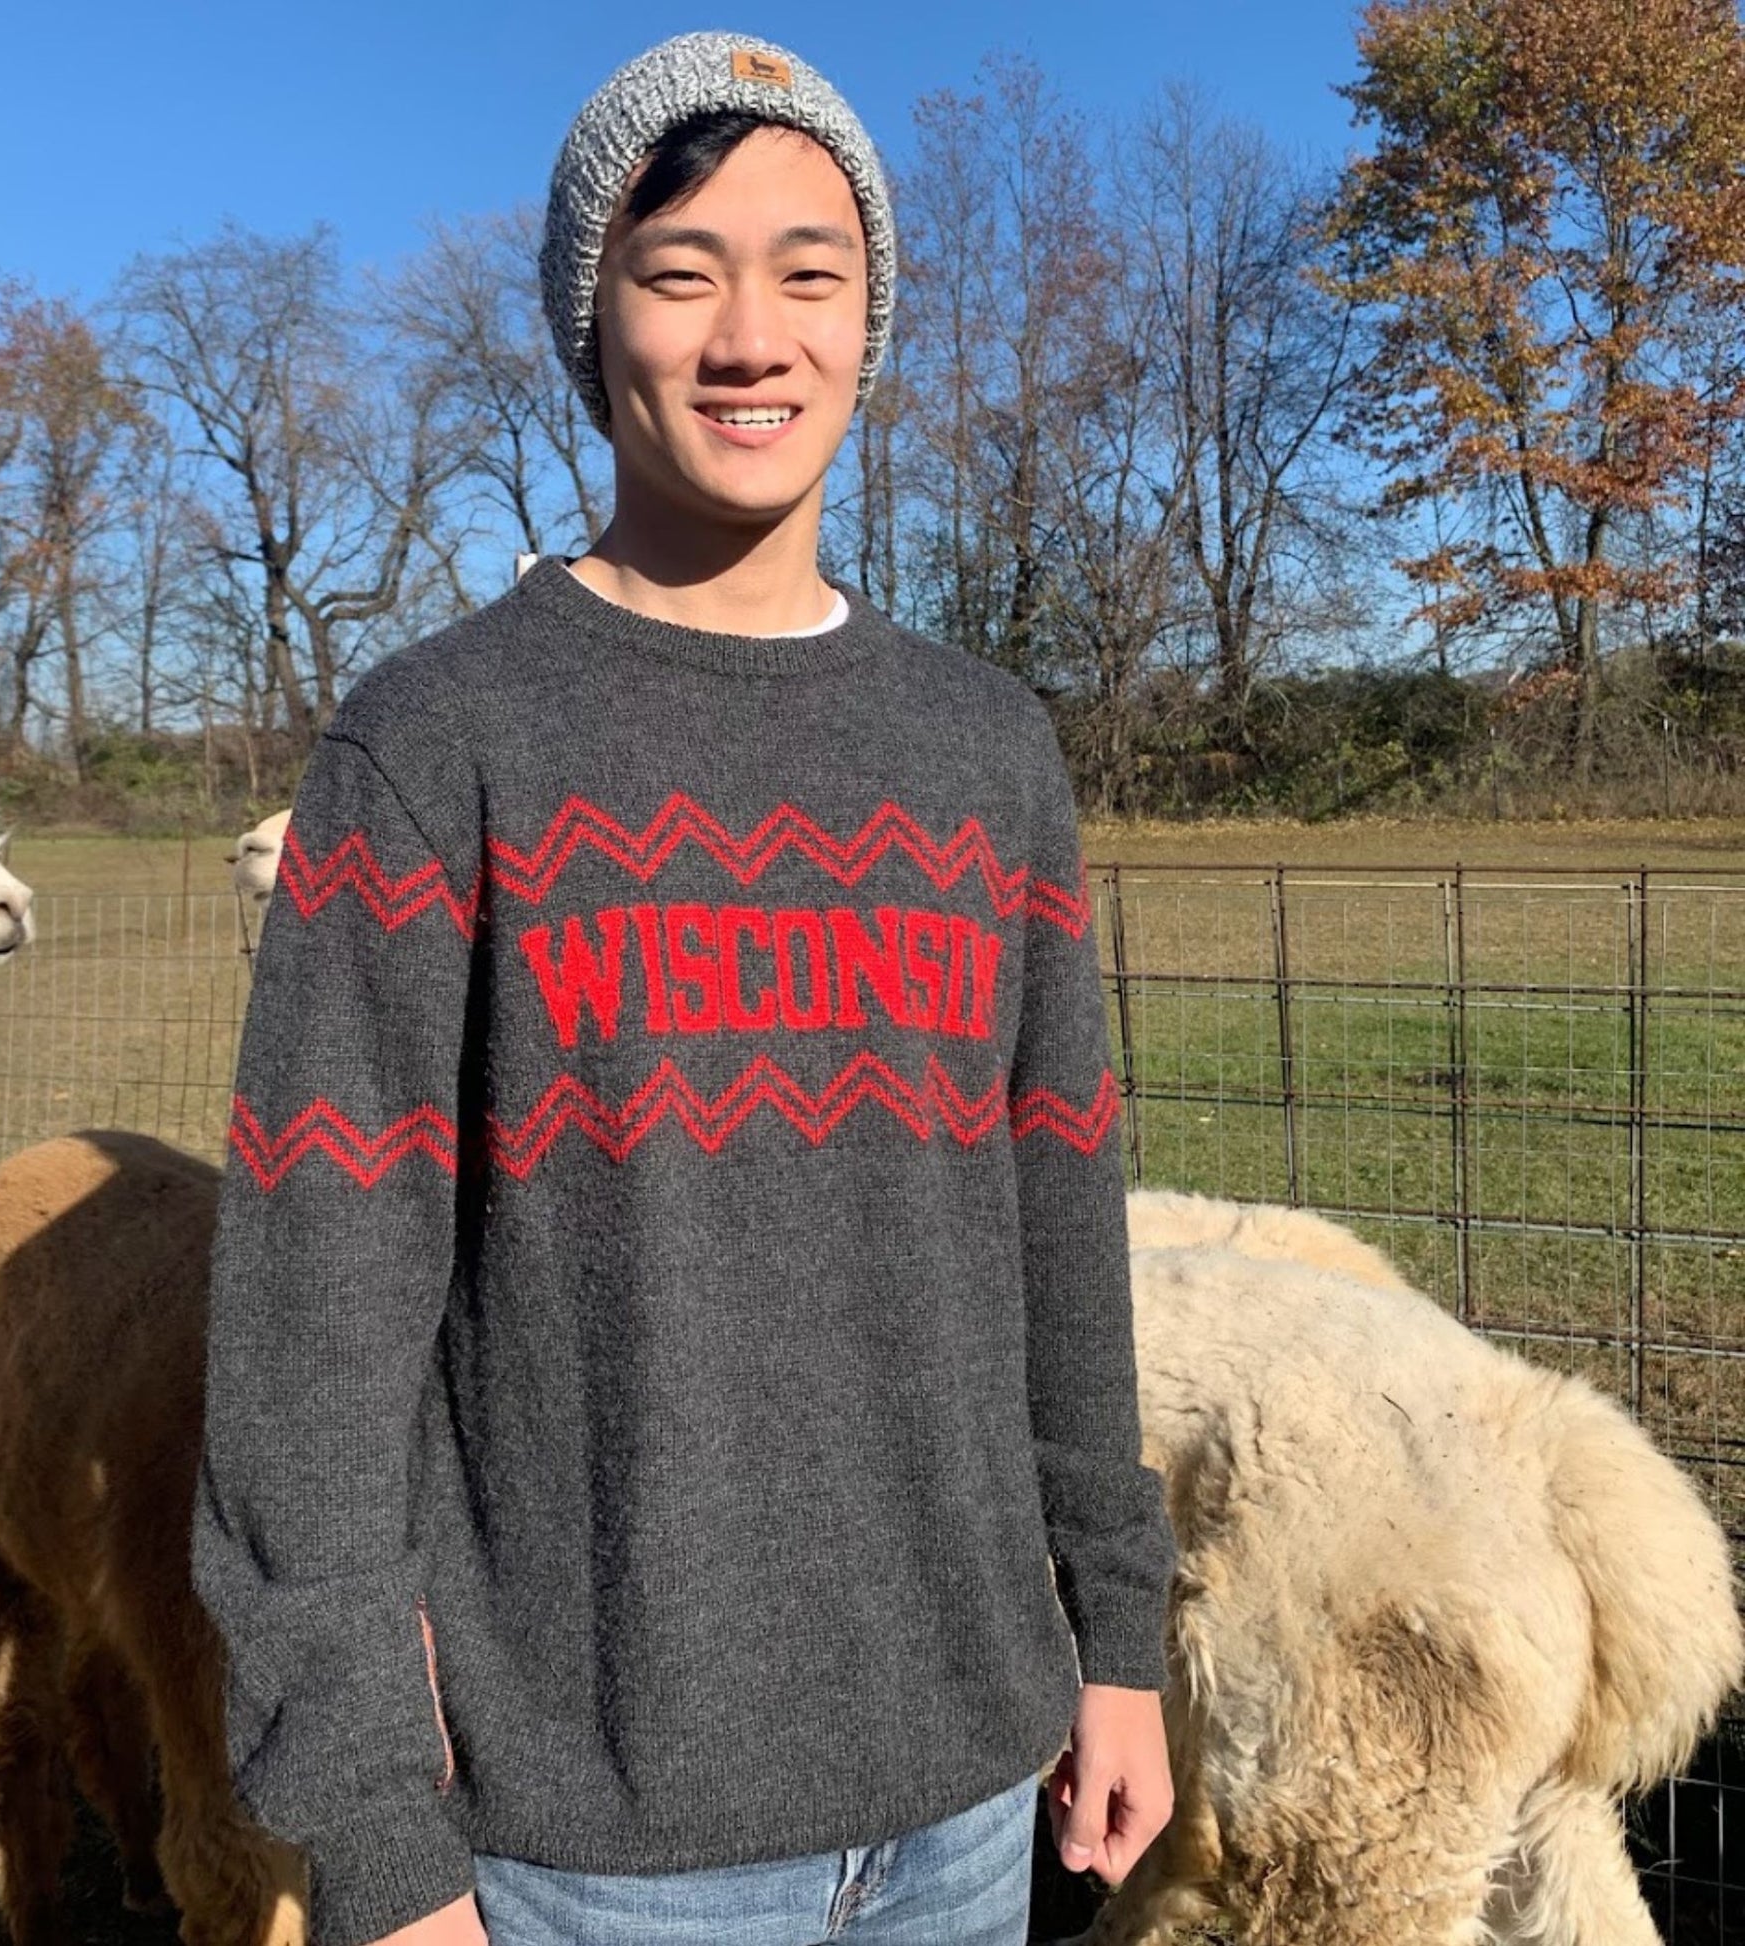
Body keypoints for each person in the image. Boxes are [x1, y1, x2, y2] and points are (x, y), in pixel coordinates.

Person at [192, 31, 1176, 1946]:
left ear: (868, 318)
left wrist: (1115, 1634)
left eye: (810, 271)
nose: (751, 336)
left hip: (971, 1788)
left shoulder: (985, 751)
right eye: (678, 271)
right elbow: (315, 1309)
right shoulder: (438, 745)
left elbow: (1060, 1217)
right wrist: (376, 1835)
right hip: (584, 1838)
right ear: (592, 322)